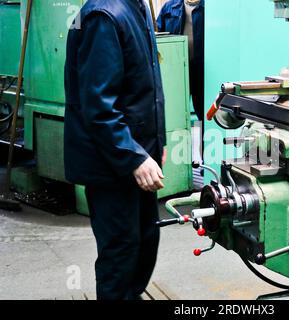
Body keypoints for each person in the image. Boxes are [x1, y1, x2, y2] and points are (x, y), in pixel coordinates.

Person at [64, 0, 167, 300]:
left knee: (145, 243)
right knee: (120, 256)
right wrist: (134, 157)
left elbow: (144, 86)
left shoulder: (135, 7)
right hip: (112, 165)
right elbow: (99, 107)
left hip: (136, 156)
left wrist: (155, 143)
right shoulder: (103, 15)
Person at [157, 0, 204, 123]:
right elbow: (158, 39)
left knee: (203, 112)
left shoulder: (210, 8)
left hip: (203, 70)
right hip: (176, 70)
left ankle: (206, 141)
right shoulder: (169, 8)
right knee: (175, 111)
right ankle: (179, 141)